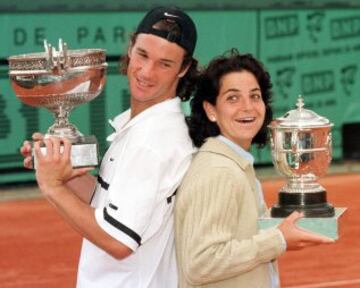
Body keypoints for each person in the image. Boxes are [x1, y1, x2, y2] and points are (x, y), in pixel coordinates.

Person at [20, 6, 199, 288]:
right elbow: (109, 205)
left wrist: (52, 186)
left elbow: (118, 241)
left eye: (165, 64)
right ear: (130, 49)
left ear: (184, 69)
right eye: (142, 55)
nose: (147, 72)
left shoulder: (152, 141)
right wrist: (61, 166)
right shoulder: (143, 126)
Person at [174, 50, 334, 288]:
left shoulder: (233, 164)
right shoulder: (219, 171)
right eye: (232, 98)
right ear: (210, 110)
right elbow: (200, 263)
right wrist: (278, 239)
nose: (248, 107)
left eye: (255, 96)